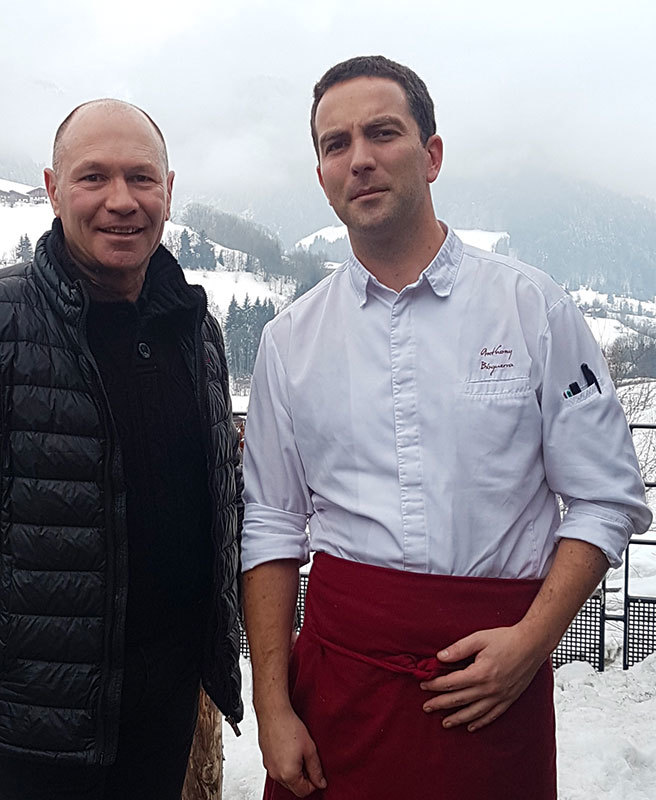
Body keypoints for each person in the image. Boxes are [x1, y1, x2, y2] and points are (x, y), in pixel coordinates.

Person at [241, 55, 651, 800]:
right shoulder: (289, 340)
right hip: (339, 690)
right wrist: (273, 705)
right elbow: (270, 524)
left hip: (493, 680)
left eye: (382, 133)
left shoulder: (532, 310)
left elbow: (608, 497)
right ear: (322, 175)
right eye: (336, 145)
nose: (359, 158)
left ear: (431, 155)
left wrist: (532, 643)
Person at [0, 99, 243, 799]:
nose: (121, 201)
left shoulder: (194, 330)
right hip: (40, 715)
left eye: (141, 178)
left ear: (169, 189)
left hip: (166, 699)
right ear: (52, 188)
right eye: (93, 177)